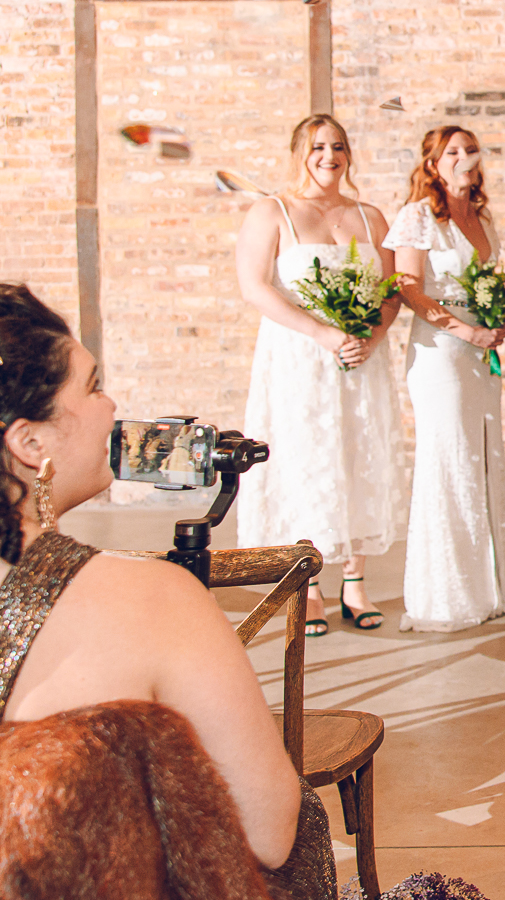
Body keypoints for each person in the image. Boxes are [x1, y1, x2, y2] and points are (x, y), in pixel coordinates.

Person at [0, 282, 335, 896]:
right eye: (93, 386)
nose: (111, 405)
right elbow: (268, 833)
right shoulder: (152, 599)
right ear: (30, 443)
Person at [234, 115, 404, 635]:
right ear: (298, 153)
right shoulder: (273, 211)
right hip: (299, 360)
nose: (329, 156)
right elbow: (254, 287)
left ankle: (355, 582)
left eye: (338, 147)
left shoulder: (370, 217)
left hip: (359, 361)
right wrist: (321, 333)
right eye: (317, 147)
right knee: (305, 461)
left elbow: (391, 291)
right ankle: (307, 585)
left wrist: (371, 338)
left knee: (359, 454)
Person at [388, 126, 505, 632]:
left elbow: (490, 281)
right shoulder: (418, 215)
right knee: (449, 459)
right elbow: (408, 288)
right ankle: (446, 596)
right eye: (452, 151)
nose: (464, 157)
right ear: (433, 163)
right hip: (440, 352)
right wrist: (465, 331)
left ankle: (491, 589)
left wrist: (496, 321)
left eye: (470, 149)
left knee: (484, 455)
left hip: (480, 352)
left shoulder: (482, 217)